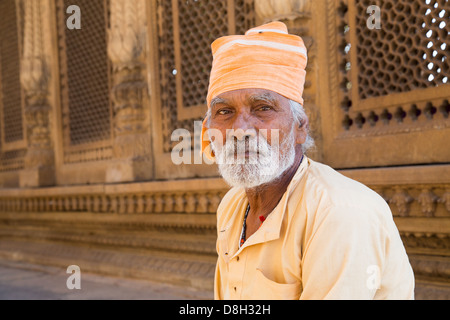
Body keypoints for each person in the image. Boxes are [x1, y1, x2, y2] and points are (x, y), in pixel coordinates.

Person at [201, 21, 415, 300]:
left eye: (263, 108)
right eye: (225, 111)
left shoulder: (338, 212)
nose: (241, 129)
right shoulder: (231, 206)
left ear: (300, 126)